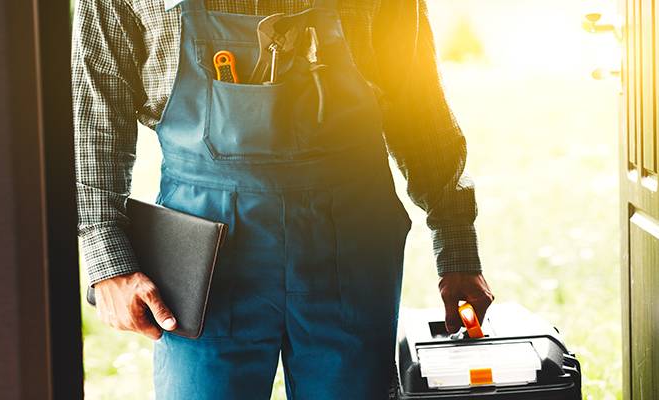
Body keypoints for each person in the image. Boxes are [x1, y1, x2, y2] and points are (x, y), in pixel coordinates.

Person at [72, 0, 495, 398]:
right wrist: (108, 260)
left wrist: (458, 248)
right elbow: (94, 116)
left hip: (350, 248)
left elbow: (420, 111)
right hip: (203, 259)